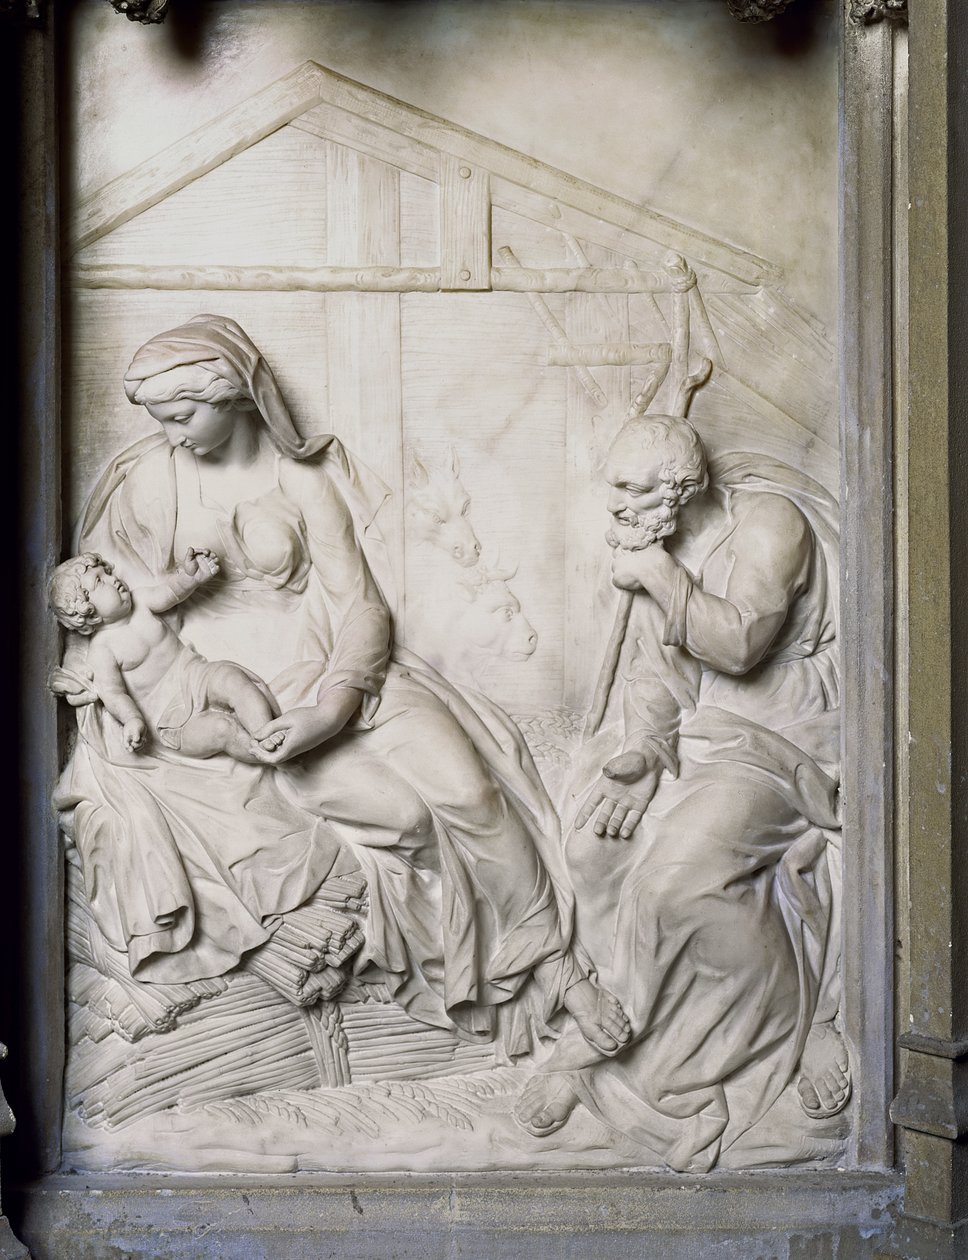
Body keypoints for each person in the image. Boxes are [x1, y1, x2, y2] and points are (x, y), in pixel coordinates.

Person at [54, 313, 629, 1059]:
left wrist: (334, 704)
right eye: (159, 419)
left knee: (473, 790)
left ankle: (559, 966)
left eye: (182, 415)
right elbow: (93, 608)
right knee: (405, 816)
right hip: (239, 699)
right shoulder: (149, 484)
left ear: (233, 397)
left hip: (342, 672)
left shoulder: (301, 479)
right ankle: (486, 968)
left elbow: (360, 604)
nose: (170, 434)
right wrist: (118, 698)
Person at [515, 413, 848, 1171]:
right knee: (590, 853)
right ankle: (604, 1017)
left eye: (634, 490)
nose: (618, 506)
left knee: (672, 885)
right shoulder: (658, 546)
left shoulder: (770, 523)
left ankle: (788, 1020)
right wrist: (643, 752)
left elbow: (740, 645)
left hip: (785, 732)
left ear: (682, 489)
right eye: (614, 489)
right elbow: (654, 673)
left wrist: (659, 574)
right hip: (705, 730)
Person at [50, 548, 285, 763]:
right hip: (171, 720)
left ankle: (265, 732)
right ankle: (266, 754)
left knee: (231, 679)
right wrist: (132, 719)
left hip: (196, 675)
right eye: (100, 581)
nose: (114, 579)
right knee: (222, 729)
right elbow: (114, 694)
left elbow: (170, 592)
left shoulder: (141, 601)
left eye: (108, 573)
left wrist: (191, 576)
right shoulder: (102, 650)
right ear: (87, 610)